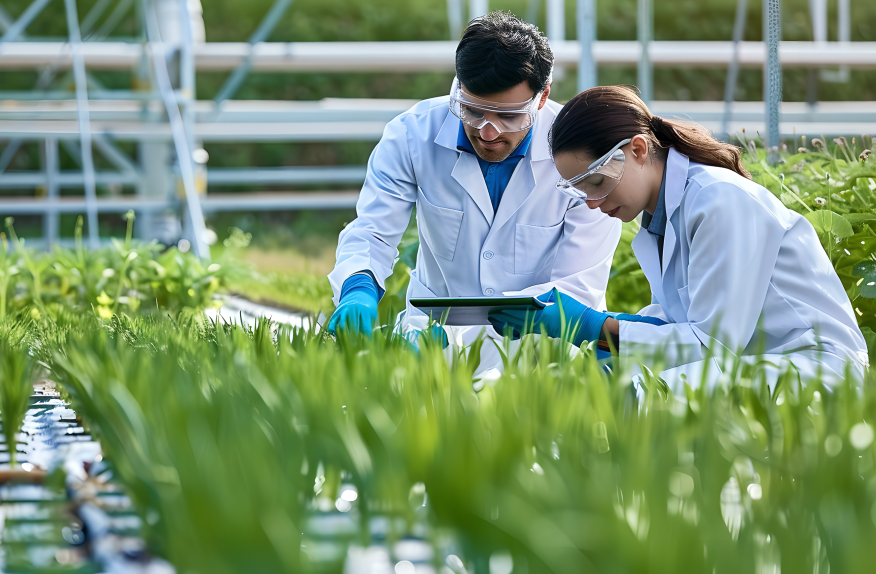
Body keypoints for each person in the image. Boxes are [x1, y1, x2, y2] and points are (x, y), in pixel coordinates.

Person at [490, 85, 869, 386]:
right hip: (749, 359)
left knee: (649, 393)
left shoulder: (718, 199)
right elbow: (680, 322)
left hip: (809, 364)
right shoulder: (661, 216)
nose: (591, 203)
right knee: (592, 382)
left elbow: (711, 346)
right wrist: (611, 333)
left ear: (637, 150)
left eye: (597, 182)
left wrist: (591, 326)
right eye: (580, 190)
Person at [326, 12, 621, 369]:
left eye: (509, 116)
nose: (488, 132)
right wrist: (358, 286)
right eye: (472, 111)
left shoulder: (580, 156)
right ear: (458, 86)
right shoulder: (412, 135)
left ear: (542, 97)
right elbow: (373, 230)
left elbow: (578, 283)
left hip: (540, 353)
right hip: (431, 341)